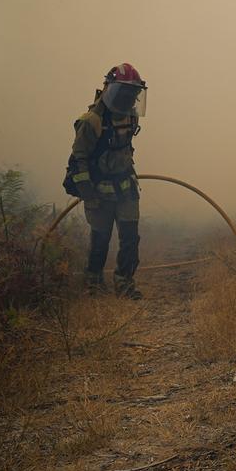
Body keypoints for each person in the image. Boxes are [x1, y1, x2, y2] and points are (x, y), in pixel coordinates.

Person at [66, 63, 147, 299]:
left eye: (132, 94)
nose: (128, 99)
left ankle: (125, 285)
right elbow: (78, 160)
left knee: (130, 239)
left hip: (126, 189)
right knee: (100, 239)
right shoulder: (91, 121)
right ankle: (93, 284)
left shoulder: (130, 117)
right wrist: (88, 195)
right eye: (123, 93)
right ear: (109, 90)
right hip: (98, 192)